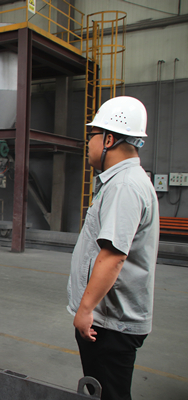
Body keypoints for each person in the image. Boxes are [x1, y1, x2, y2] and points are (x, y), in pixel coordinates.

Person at [67, 96, 159, 400]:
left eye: (92, 135)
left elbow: (113, 257)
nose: (88, 144)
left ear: (108, 139)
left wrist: (85, 309)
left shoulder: (124, 186)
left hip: (110, 323)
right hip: (108, 319)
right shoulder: (121, 181)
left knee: (110, 393)